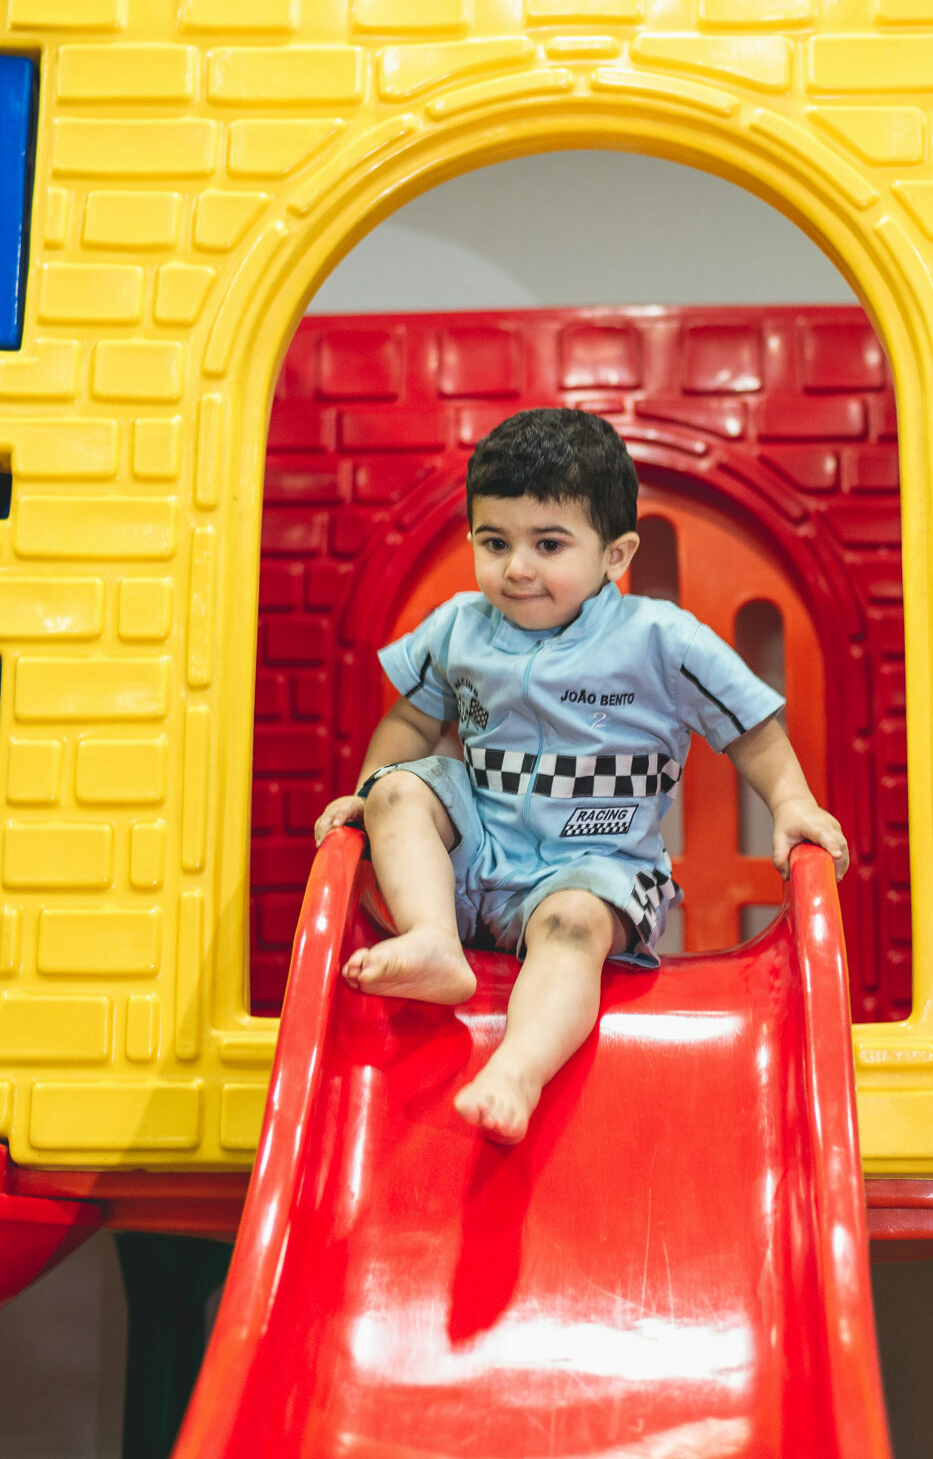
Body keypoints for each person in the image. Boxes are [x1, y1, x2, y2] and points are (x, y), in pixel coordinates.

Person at [314, 407, 848, 1144]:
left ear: (615, 554)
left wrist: (791, 802)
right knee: (401, 787)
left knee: (571, 924)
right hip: (479, 860)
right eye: (494, 542)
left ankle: (516, 1072)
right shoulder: (459, 627)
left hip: (598, 869)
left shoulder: (659, 639)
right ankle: (433, 939)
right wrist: (371, 790)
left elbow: (749, 727)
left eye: (549, 544)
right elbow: (411, 723)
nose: (517, 568)